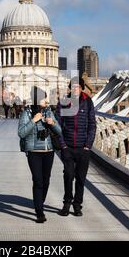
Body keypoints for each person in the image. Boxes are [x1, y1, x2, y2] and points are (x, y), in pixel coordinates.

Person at [18, 86, 62, 223]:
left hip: (48, 151)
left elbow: (59, 131)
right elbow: (21, 133)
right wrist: (34, 120)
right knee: (37, 180)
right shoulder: (27, 113)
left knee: (46, 180)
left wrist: (53, 123)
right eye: (44, 98)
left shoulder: (49, 112)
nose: (46, 101)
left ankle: (39, 202)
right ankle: (39, 211)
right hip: (33, 151)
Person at [56, 77, 96, 217]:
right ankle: (66, 204)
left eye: (77, 87)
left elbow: (92, 125)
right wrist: (63, 145)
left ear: (81, 88)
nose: (75, 89)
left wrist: (88, 146)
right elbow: (57, 125)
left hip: (83, 148)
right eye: (73, 87)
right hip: (68, 147)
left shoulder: (88, 102)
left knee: (80, 178)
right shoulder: (63, 102)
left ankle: (77, 205)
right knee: (68, 175)